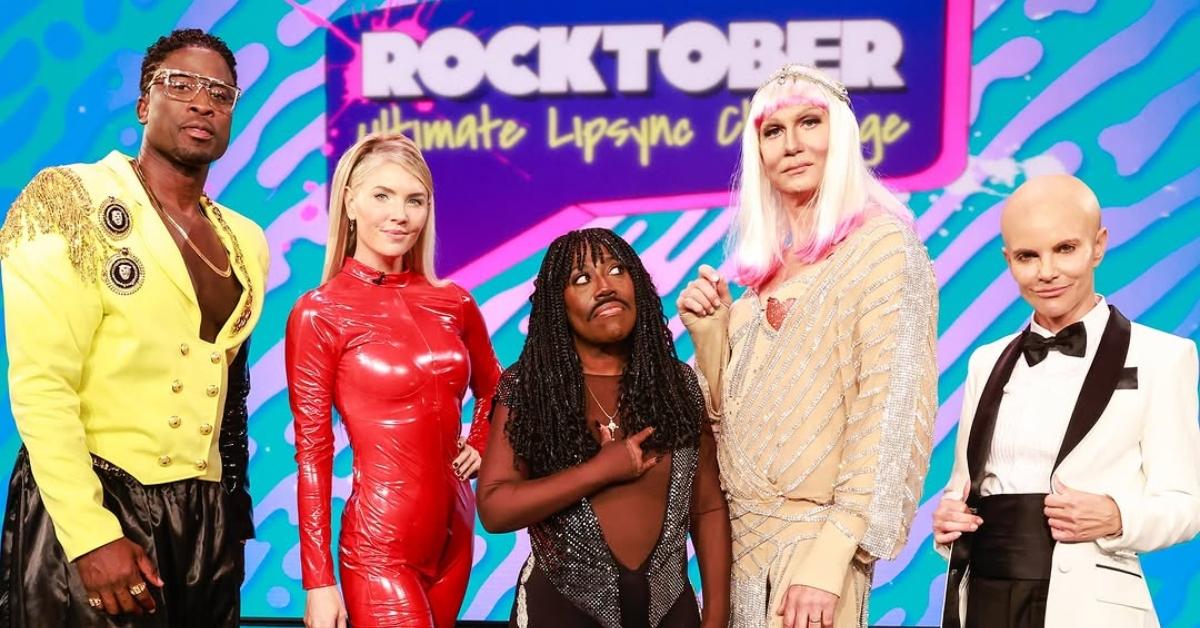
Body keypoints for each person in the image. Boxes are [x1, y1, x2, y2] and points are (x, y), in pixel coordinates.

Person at [0, 29, 267, 627]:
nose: (203, 103)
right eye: (181, 85)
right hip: (99, 499)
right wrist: (91, 536)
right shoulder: (67, 199)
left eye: (221, 94)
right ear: (144, 103)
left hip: (204, 521)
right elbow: (42, 385)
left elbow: (231, 394)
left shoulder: (245, 240)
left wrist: (230, 526)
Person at [677, 64, 938, 628]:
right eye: (773, 131)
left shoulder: (883, 250)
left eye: (809, 123)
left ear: (839, 135)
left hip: (816, 552)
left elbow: (890, 415)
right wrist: (711, 339)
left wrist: (829, 559)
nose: (792, 145)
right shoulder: (757, 281)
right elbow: (724, 433)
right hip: (738, 558)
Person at [932, 174, 1200, 628]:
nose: (1047, 272)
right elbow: (965, 487)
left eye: (1065, 249)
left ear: (1099, 245)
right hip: (984, 595)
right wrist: (950, 522)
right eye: (1027, 256)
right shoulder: (985, 361)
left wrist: (1118, 515)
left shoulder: (1162, 356)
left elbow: (1186, 504)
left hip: (1089, 600)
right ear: (1007, 259)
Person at [285, 131, 501, 628]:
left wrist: (482, 436)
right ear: (350, 202)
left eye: (414, 200)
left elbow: (497, 386)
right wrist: (318, 582)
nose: (399, 214)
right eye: (382, 196)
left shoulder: (454, 302)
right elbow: (313, 455)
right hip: (380, 544)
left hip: (456, 532)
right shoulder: (320, 313)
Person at [476, 227, 731, 628]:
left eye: (617, 270)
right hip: (558, 613)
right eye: (581, 279)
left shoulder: (678, 385)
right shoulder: (529, 388)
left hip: (671, 613)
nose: (604, 287)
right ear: (556, 304)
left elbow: (708, 507)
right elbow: (494, 508)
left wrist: (716, 616)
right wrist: (601, 470)